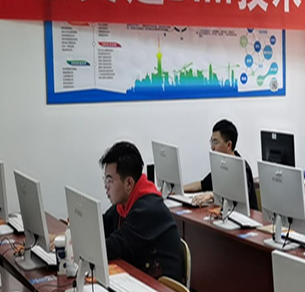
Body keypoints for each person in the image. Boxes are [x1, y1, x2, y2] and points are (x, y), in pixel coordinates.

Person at [100, 141, 184, 283]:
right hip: (141, 278)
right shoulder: (125, 204)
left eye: (110, 181)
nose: (105, 186)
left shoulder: (148, 210)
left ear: (129, 183)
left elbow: (112, 247)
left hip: (162, 289)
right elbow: (102, 225)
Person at [185, 119, 258, 209]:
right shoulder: (221, 165)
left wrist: (212, 195)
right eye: (211, 142)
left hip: (246, 215)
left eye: (215, 142)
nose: (212, 147)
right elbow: (202, 185)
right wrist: (180, 188)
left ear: (228, 145)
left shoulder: (242, 168)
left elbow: (238, 196)